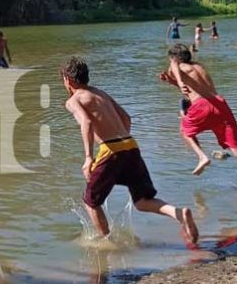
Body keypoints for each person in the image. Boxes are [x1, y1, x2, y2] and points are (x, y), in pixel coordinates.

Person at [61, 57, 198, 244]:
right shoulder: (100, 93)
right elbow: (126, 118)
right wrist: (122, 142)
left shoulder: (73, 100)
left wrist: (88, 158)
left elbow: (86, 122)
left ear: (68, 80)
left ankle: (107, 243)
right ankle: (179, 213)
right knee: (142, 201)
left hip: (111, 150)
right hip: (130, 145)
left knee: (90, 202)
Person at [159, 44, 237, 199]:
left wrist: (178, 79)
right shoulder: (198, 66)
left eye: (171, 58)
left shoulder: (176, 65)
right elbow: (194, 86)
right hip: (220, 105)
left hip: (201, 106)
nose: (171, 61)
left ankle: (202, 157)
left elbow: (176, 69)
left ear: (174, 57)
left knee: (184, 131)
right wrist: (172, 82)